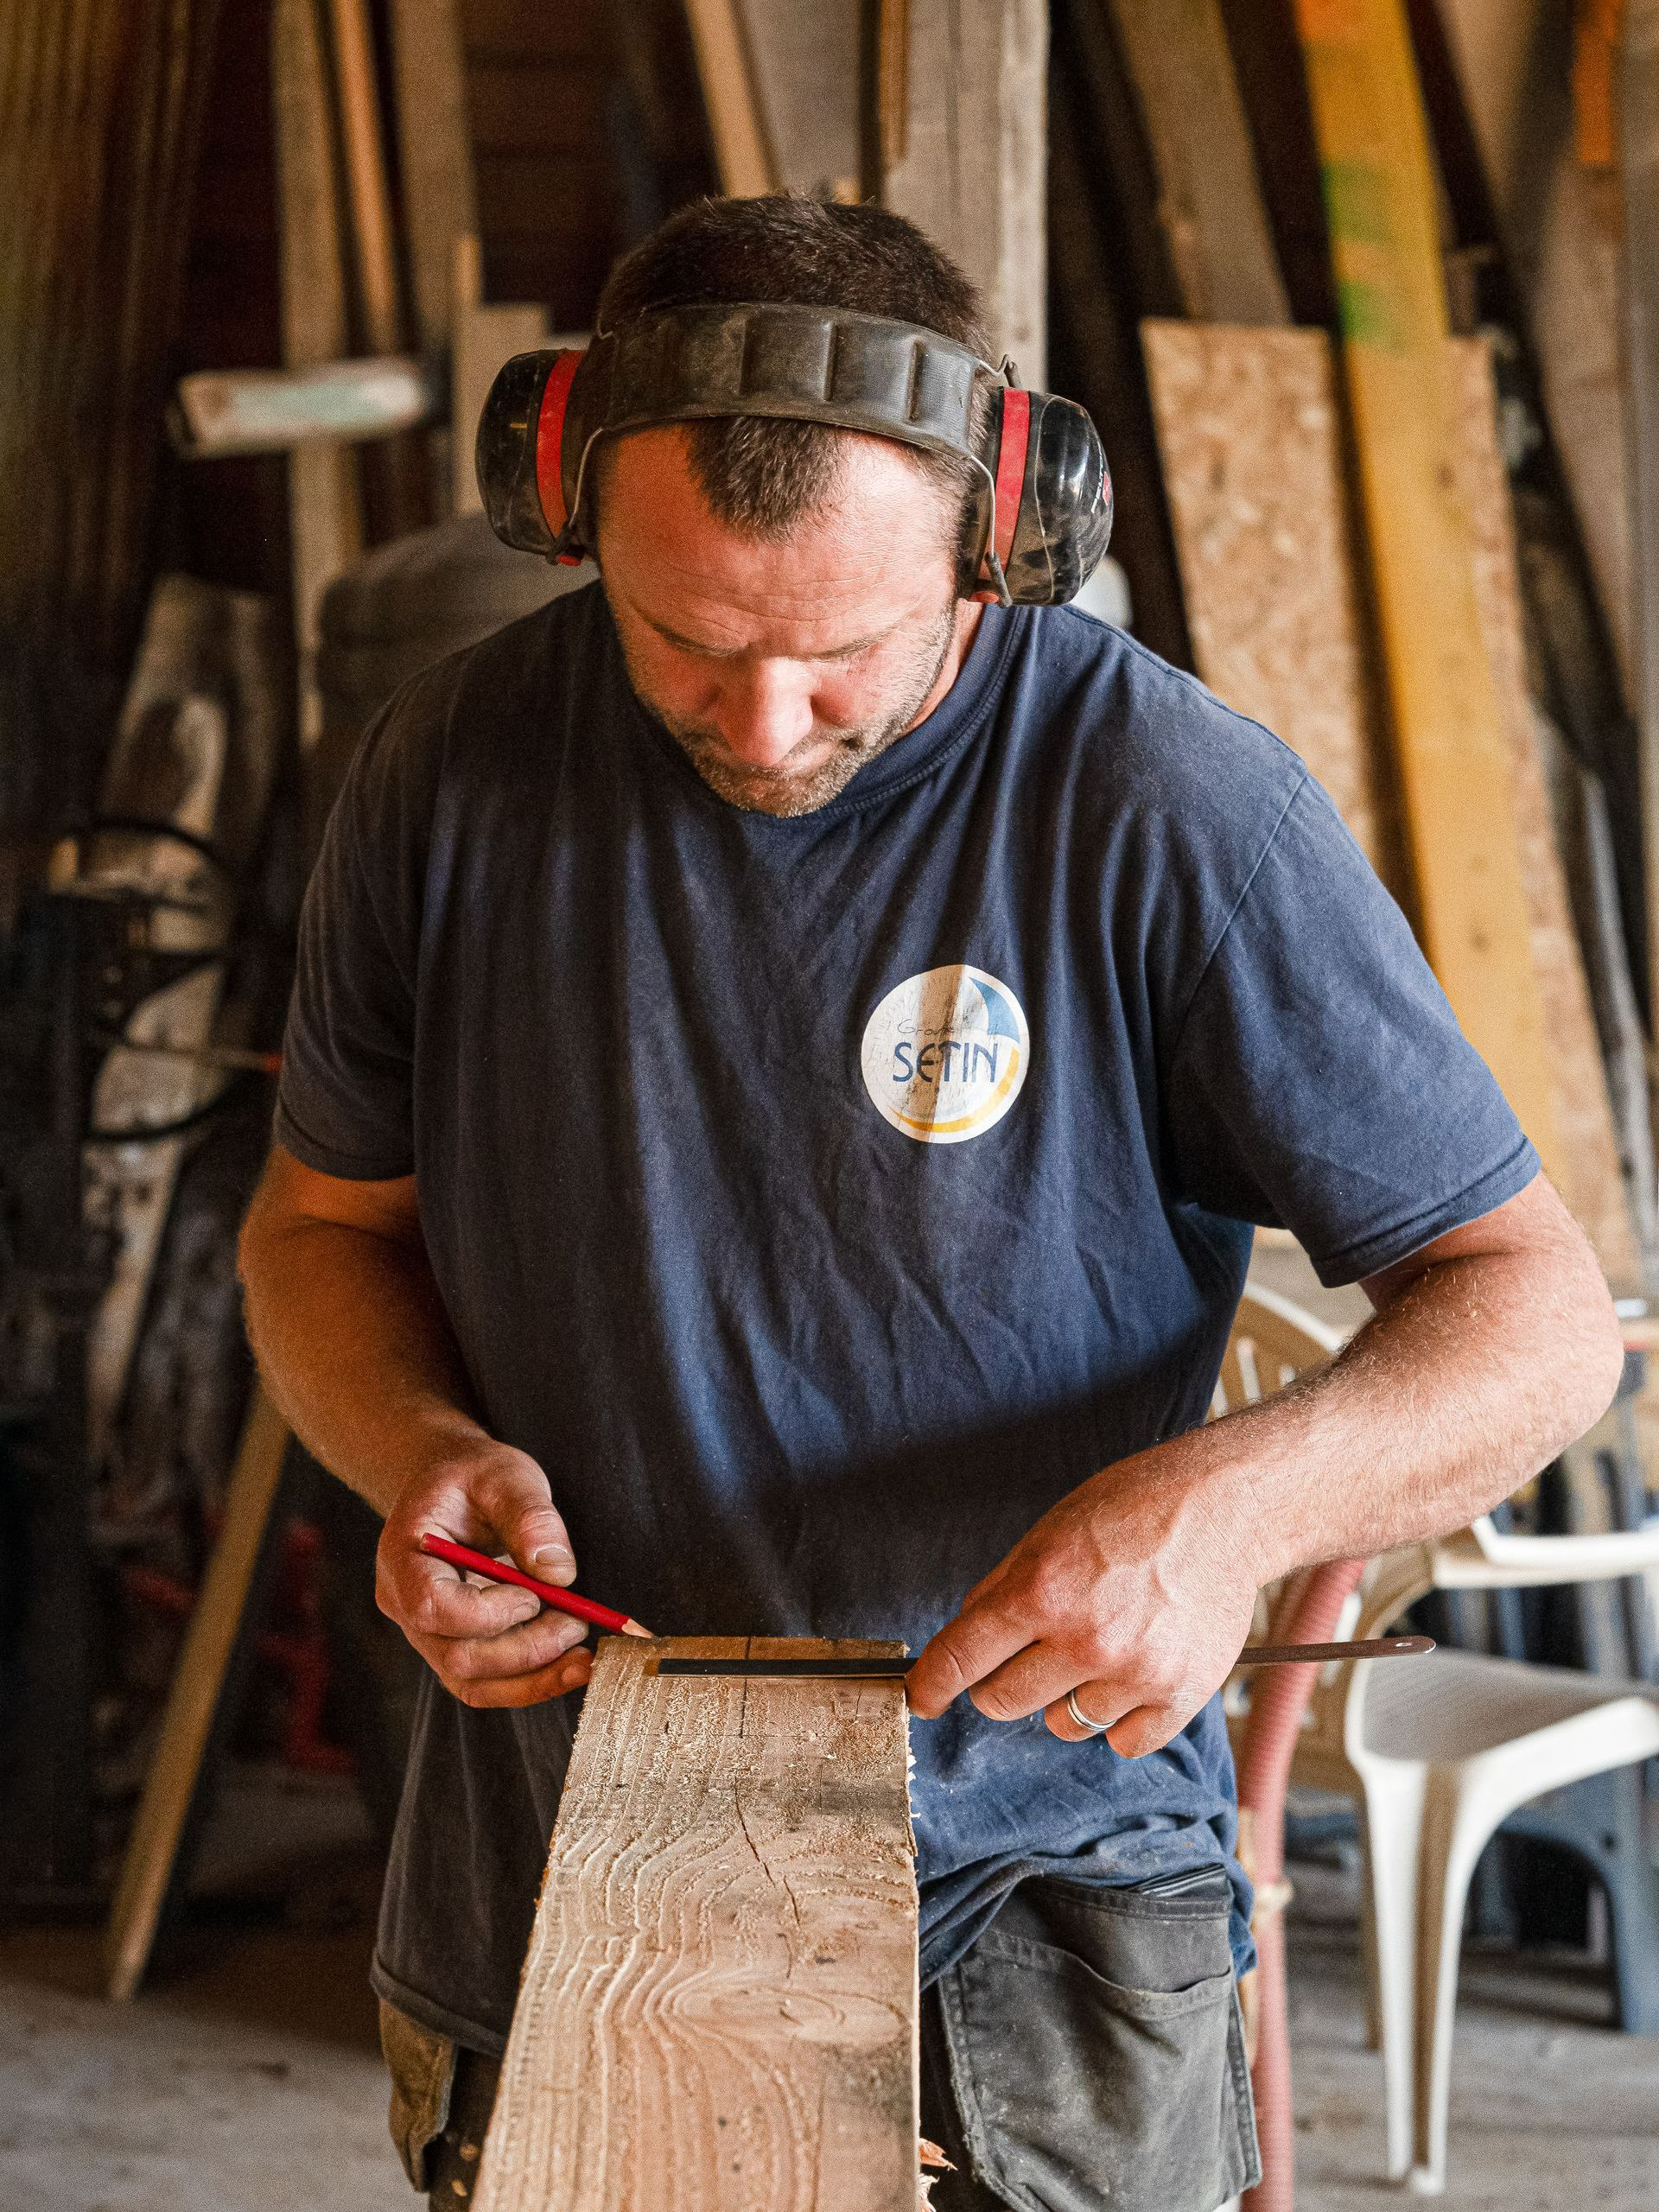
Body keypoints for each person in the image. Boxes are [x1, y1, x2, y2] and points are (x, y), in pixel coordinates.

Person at [238, 194, 1623, 2212]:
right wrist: (415, 1447)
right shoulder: (447, 770)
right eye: (684, 641)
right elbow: (320, 1229)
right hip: (552, 1879)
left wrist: (1226, 1514)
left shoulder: (1162, 802)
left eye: (839, 652)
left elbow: (1537, 1310)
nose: (765, 723)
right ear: (565, 505)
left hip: (1036, 1924)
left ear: (1000, 531)